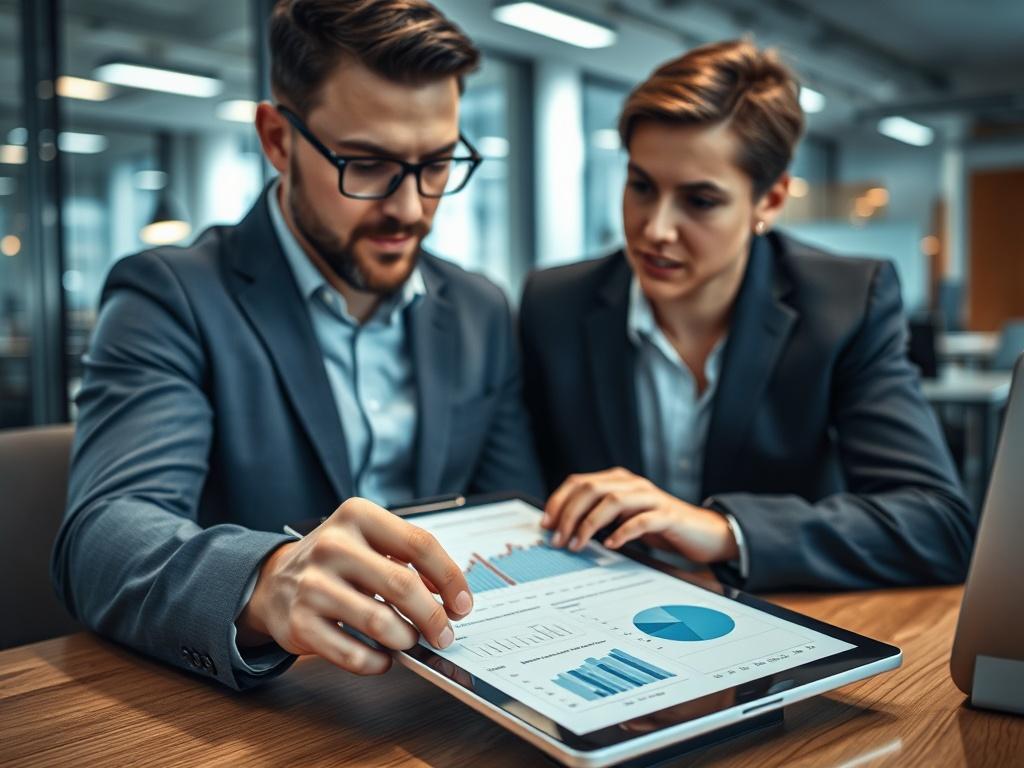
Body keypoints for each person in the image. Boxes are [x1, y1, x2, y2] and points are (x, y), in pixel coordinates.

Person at [51, 0, 543, 691]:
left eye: (436, 164)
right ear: (278, 140)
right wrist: (267, 581)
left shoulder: (479, 309)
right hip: (276, 708)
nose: (409, 208)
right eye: (367, 164)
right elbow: (101, 540)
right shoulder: (172, 294)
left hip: (450, 689)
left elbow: (513, 515)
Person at [520, 40, 974, 592]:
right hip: (593, 612)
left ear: (771, 201)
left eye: (700, 201)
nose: (655, 229)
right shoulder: (554, 303)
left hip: (783, 617)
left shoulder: (845, 302)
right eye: (641, 186)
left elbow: (938, 526)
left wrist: (725, 531)